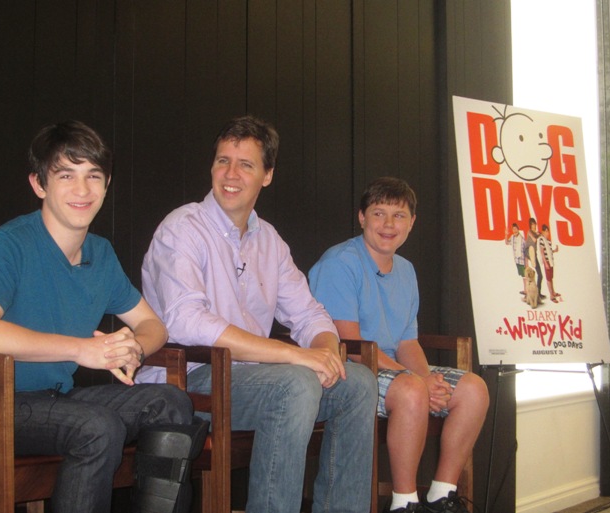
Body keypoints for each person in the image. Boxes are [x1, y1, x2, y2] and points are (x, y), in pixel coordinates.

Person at [137, 115, 378, 513]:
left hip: (250, 375)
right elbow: (185, 321)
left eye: (245, 164)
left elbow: (310, 314)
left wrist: (326, 352)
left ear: (267, 175)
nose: (230, 174)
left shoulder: (270, 241)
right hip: (186, 380)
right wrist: (292, 355)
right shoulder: (181, 229)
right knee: (295, 384)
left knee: (359, 384)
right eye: (222, 161)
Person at [0, 120, 204, 513]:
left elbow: (155, 326)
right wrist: (82, 350)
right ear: (39, 184)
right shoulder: (11, 243)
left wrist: (132, 347)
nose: (82, 191)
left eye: (93, 176)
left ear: (107, 183)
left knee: (171, 402)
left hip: (57, 401)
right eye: (66, 175)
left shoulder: (100, 253)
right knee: (98, 426)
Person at [309, 177, 489, 513]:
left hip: (396, 369)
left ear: (412, 222)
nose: (389, 224)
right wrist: (418, 382)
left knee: (473, 388)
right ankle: (404, 503)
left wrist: (426, 378)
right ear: (362, 217)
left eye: (399, 215)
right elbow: (352, 345)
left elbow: (407, 342)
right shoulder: (339, 263)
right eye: (379, 214)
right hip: (350, 369)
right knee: (411, 391)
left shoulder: (406, 270)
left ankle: (441, 495)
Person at [537, 224, 560, 303]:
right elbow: (542, 251)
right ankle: (551, 295)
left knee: (551, 278)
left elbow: (549, 251)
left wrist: (555, 250)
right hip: (547, 261)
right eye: (545, 231)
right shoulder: (541, 240)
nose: (547, 233)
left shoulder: (549, 241)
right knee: (548, 279)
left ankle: (553, 292)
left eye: (548, 231)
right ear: (543, 232)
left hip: (551, 261)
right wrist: (545, 263)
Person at [505, 222, 528, 300]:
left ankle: (527, 292)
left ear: (518, 229)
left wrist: (526, 262)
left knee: (525, 276)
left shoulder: (522, 239)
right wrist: (506, 235)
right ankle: (525, 290)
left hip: (522, 260)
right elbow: (506, 243)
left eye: (515, 229)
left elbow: (526, 251)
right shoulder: (512, 237)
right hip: (516, 259)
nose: (514, 230)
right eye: (513, 229)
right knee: (522, 275)